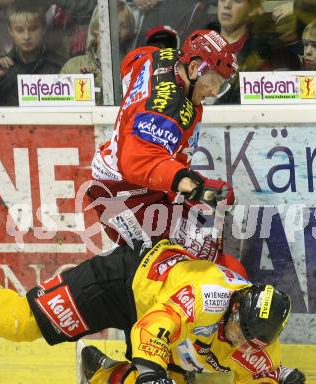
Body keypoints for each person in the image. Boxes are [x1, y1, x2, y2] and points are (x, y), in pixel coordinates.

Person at [0, 238, 308, 384]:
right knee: (20, 323)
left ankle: (95, 367)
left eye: (249, 342)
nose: (239, 343)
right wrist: (155, 377)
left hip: (164, 323)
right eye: (237, 331)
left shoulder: (259, 340)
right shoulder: (209, 295)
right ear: (234, 307)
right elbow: (152, 326)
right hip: (124, 282)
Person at [89, 29, 246, 275]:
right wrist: (198, 186)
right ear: (194, 68)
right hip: (124, 191)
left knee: (205, 250)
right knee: (188, 269)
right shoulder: (167, 109)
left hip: (136, 183)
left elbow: (132, 60)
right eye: (215, 82)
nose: (215, 92)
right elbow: (138, 161)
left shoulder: (162, 58)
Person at [0, 3, 64, 106]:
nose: (26, 36)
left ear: (43, 28)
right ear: (10, 31)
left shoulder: (59, 66)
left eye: (33, 29)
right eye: (19, 30)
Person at [60, 5, 103, 105]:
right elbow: (59, 101)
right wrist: (83, 80)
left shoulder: (130, 66)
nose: (116, 31)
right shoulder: (73, 65)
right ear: (95, 30)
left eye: (123, 26)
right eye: (111, 26)